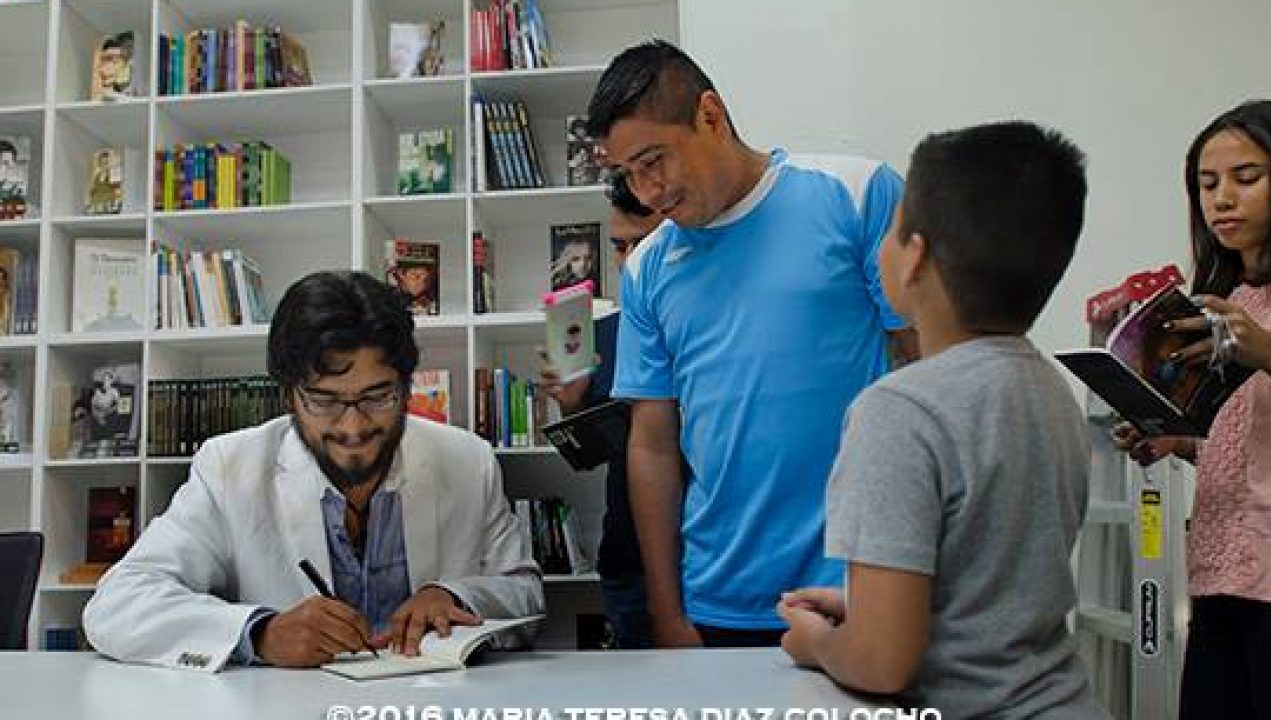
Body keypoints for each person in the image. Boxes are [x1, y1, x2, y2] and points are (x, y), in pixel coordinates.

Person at [586, 40, 916, 648]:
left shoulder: (856, 193)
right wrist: (667, 613)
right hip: (718, 598)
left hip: (857, 585)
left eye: (653, 160)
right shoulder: (648, 267)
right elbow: (652, 444)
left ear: (710, 116)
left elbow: (926, 364)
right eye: (628, 174)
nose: (647, 191)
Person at [778, 121, 1106, 718]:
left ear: (915, 257)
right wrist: (867, 607)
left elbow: (881, 661)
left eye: (894, 226)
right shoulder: (1050, 389)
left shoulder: (898, 411)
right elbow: (994, 594)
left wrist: (817, 644)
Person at [83, 270, 543, 671]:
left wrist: (456, 597)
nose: (353, 427)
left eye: (378, 397)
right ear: (288, 396)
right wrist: (260, 633)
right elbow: (117, 604)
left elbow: (525, 592)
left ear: (407, 389)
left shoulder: (468, 461)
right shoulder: (229, 468)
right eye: (324, 400)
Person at [1113, 100, 1271, 720]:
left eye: (1246, 177)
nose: (1222, 199)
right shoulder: (1226, 297)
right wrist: (1177, 440)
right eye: (1207, 185)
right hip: (1218, 569)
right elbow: (1248, 436)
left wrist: (1269, 352)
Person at [540, 175, 665, 649]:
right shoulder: (605, 333)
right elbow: (590, 456)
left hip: (715, 556)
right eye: (619, 246)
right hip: (629, 560)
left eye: (643, 244)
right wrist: (572, 404)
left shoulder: (712, 323)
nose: (629, 261)